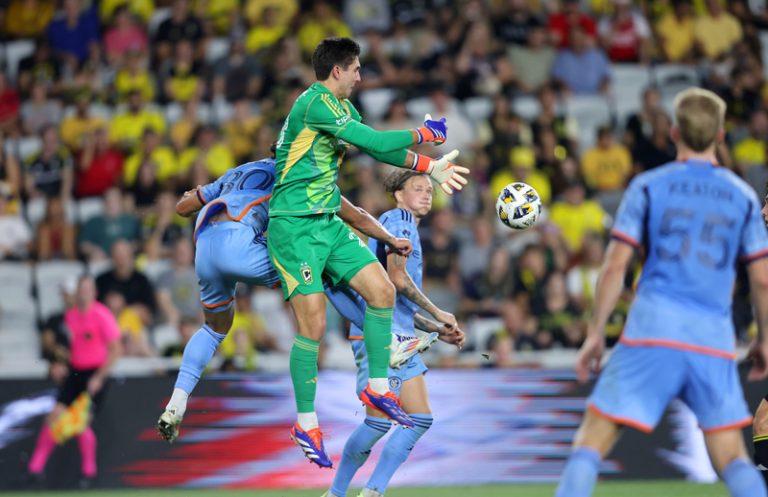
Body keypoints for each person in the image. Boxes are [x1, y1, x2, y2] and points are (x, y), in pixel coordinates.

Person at [555, 87, 768, 497]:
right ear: (721, 135)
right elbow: (760, 279)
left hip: (652, 330)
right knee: (733, 459)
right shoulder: (742, 195)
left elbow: (616, 265)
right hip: (711, 338)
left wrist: (596, 333)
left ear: (673, 133)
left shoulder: (648, 185)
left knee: (589, 444)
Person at [266, 36, 468, 464]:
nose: (361, 76)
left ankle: (377, 388)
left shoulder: (344, 109)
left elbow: (382, 149)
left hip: (327, 221)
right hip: (294, 227)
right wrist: (423, 134)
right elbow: (375, 143)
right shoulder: (314, 104)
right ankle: (306, 423)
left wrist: (430, 164)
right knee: (313, 327)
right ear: (337, 71)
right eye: (356, 69)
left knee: (381, 292)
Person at [157, 156, 416, 449]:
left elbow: (183, 208)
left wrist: (191, 195)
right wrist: (390, 239)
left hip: (204, 247)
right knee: (322, 265)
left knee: (215, 329)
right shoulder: (296, 173)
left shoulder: (236, 171)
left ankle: (176, 402)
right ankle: (390, 341)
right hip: (240, 242)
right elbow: (353, 214)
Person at [323, 170, 465, 497]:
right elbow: (397, 279)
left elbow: (394, 297)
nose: (427, 194)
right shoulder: (399, 220)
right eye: (418, 188)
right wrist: (438, 311)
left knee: (403, 420)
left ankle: (357, 492)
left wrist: (435, 329)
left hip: (389, 331)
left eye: (430, 189)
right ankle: (354, 492)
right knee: (395, 421)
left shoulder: (403, 224)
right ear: (399, 194)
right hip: (384, 336)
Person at [27, 276, 122, 488]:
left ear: (94, 292)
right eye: (82, 289)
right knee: (54, 417)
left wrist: (99, 377)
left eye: (88, 288)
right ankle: (35, 470)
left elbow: (116, 349)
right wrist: (58, 363)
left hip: (94, 374)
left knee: (80, 422)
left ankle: (89, 473)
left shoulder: (101, 315)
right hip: (75, 373)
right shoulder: (70, 317)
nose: (84, 293)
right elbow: (65, 349)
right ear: (77, 292)